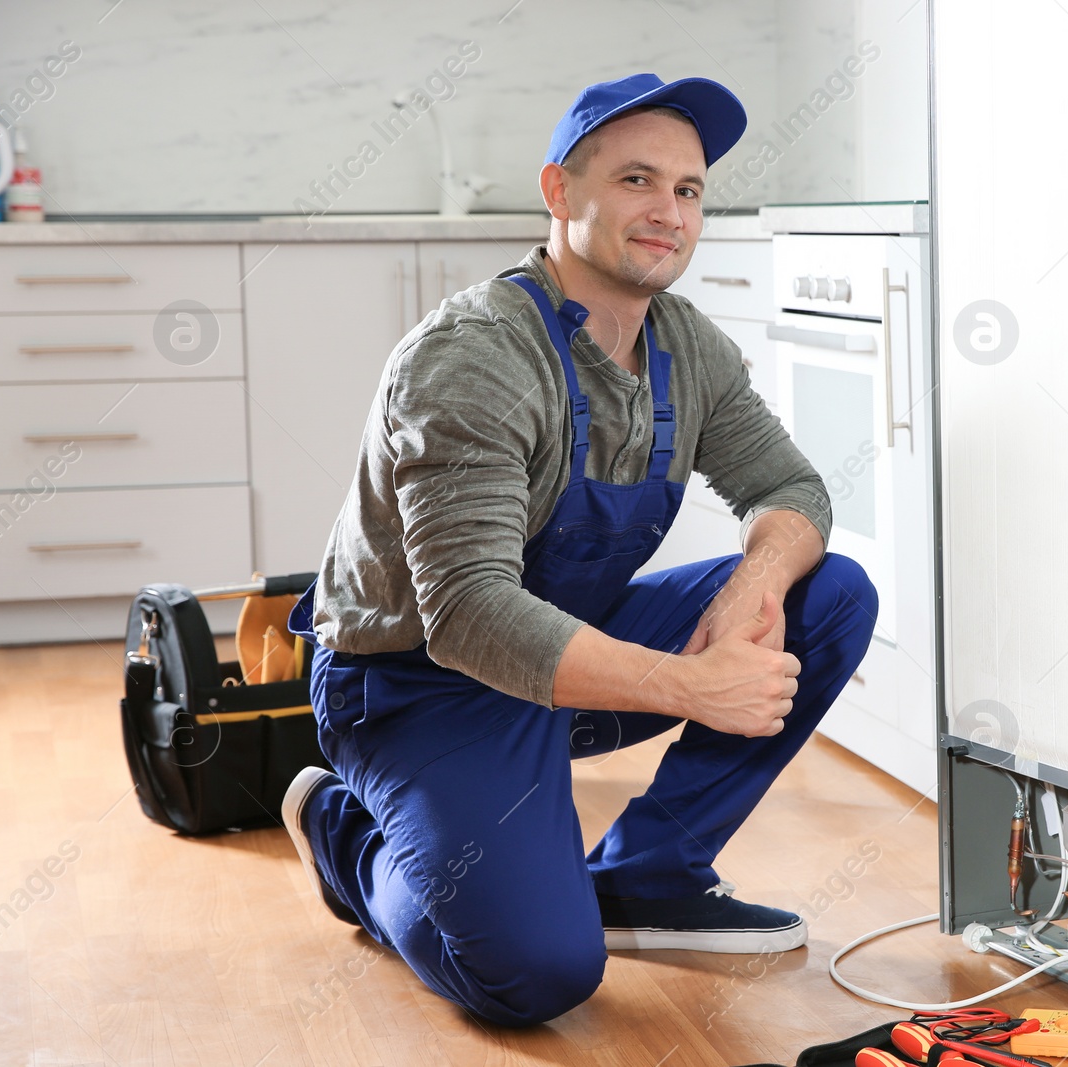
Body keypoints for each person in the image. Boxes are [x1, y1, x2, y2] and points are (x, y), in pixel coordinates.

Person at [280, 72, 878, 1027]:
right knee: (538, 973)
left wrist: (756, 581)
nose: (669, 212)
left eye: (688, 190)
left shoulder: (683, 344)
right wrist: (691, 685)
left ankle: (645, 874)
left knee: (830, 592)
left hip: (561, 651)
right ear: (560, 192)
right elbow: (472, 614)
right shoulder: (477, 355)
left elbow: (792, 492)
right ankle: (345, 837)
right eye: (638, 179)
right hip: (419, 683)